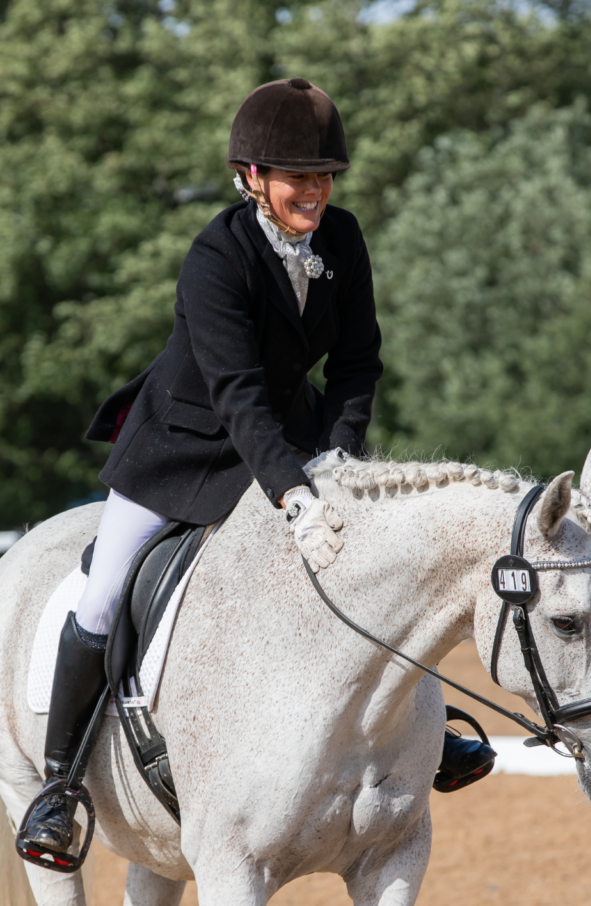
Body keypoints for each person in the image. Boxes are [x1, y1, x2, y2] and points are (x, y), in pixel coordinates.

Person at [24, 77, 383, 854]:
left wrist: (343, 464)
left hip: (297, 432)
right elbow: (237, 391)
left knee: (376, 562)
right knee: (106, 587)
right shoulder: (215, 255)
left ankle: (416, 736)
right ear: (252, 177)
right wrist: (292, 491)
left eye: (324, 176)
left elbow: (356, 364)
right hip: (184, 447)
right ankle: (60, 784)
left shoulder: (343, 239)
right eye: (298, 177)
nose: (315, 191)